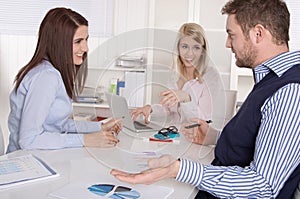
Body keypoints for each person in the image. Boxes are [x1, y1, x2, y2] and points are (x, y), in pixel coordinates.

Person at [111, 0, 300, 198]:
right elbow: (256, 144)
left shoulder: (289, 91)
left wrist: (178, 169)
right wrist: (213, 136)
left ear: (258, 34)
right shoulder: (270, 81)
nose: (227, 44)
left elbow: (263, 187)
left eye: (231, 35)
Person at [7, 7, 123, 153]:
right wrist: (86, 140)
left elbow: (56, 125)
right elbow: (29, 140)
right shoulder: (46, 77)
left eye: (86, 40)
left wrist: (100, 127)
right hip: (26, 162)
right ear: (59, 42)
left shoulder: (51, 72)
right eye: (78, 41)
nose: (86, 48)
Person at [131, 23, 224, 125]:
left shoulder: (211, 76)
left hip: (196, 136)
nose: (189, 53)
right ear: (178, 48)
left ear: (203, 50)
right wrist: (151, 108)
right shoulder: (174, 75)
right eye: (185, 46)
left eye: (196, 47)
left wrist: (186, 98)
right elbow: (168, 109)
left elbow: (204, 118)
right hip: (173, 133)